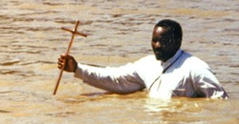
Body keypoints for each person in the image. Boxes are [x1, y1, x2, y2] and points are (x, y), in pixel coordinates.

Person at [57, 19, 228, 99]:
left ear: (177, 42)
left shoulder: (195, 68)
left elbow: (220, 102)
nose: (158, 46)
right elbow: (116, 79)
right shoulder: (147, 64)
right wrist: (77, 69)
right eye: (155, 40)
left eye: (164, 41)